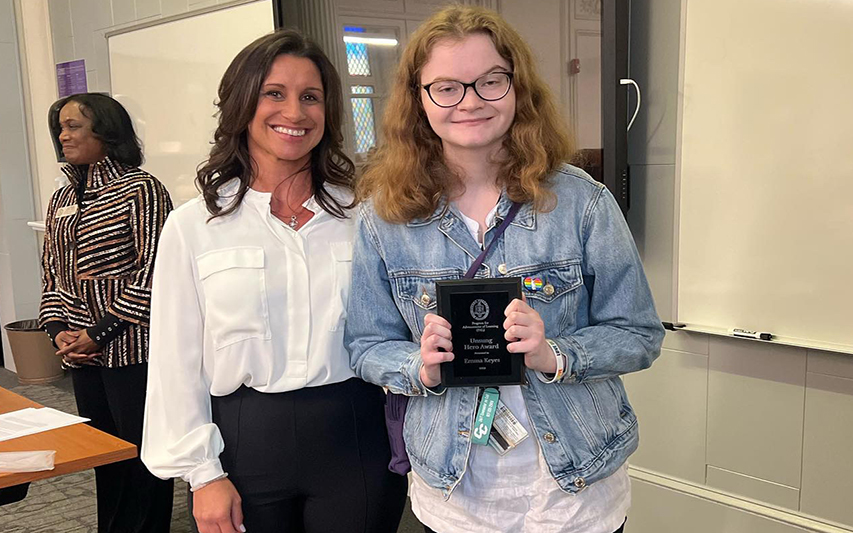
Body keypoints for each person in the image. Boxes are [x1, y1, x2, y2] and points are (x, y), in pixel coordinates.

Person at [346, 6, 665, 533]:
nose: (470, 101)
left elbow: (639, 334)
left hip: (575, 493)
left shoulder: (583, 204)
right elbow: (365, 345)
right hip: (454, 496)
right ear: (418, 99)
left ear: (517, 88)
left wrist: (555, 353)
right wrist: (420, 367)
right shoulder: (384, 218)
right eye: (446, 87)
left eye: (490, 81)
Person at [141, 29, 408, 533]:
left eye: (311, 97)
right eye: (274, 93)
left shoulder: (367, 218)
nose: (295, 112)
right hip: (244, 442)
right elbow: (175, 362)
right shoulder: (194, 226)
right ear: (243, 104)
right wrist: (202, 475)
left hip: (355, 435)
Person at [39, 92, 175, 532]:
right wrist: (58, 332)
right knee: (103, 455)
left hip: (133, 350)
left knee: (141, 453)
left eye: (74, 125)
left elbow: (154, 275)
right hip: (81, 354)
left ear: (106, 131)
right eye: (60, 127)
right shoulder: (61, 200)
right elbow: (52, 277)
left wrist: (101, 332)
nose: (63, 135)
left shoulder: (142, 189)